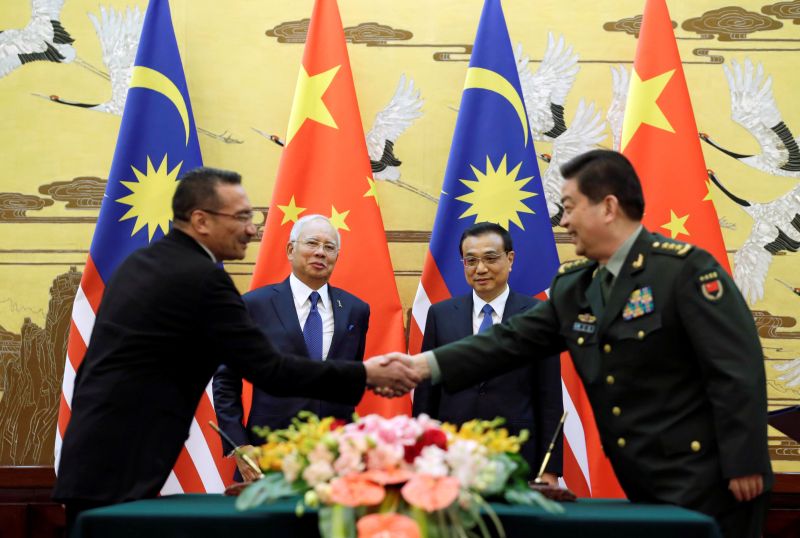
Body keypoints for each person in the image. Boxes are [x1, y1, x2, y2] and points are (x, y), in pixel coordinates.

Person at [396, 150, 773, 538]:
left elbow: (736, 370)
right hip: (643, 477)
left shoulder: (684, 271)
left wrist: (744, 462)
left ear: (608, 207)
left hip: (714, 477)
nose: (563, 220)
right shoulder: (576, 285)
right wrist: (422, 367)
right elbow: (509, 340)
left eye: (570, 207)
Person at [53, 167, 417, 531]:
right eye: (242, 217)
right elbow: (269, 369)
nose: (253, 229)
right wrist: (368, 373)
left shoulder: (142, 263)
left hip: (96, 451)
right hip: (122, 461)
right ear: (201, 221)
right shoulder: (203, 278)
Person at [213, 214, 369, 482]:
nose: (320, 252)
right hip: (268, 454)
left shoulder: (356, 309)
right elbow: (226, 380)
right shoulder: (254, 305)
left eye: (329, 247)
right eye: (312, 243)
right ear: (290, 249)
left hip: (336, 459)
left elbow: (351, 381)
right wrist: (238, 444)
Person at [412, 222, 562, 483]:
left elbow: (549, 398)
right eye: (471, 261)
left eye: (490, 258)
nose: (480, 269)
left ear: (510, 259)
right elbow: (427, 394)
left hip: (517, 456)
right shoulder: (441, 315)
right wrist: (420, 457)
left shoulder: (539, 316)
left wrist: (549, 469)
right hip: (452, 457)